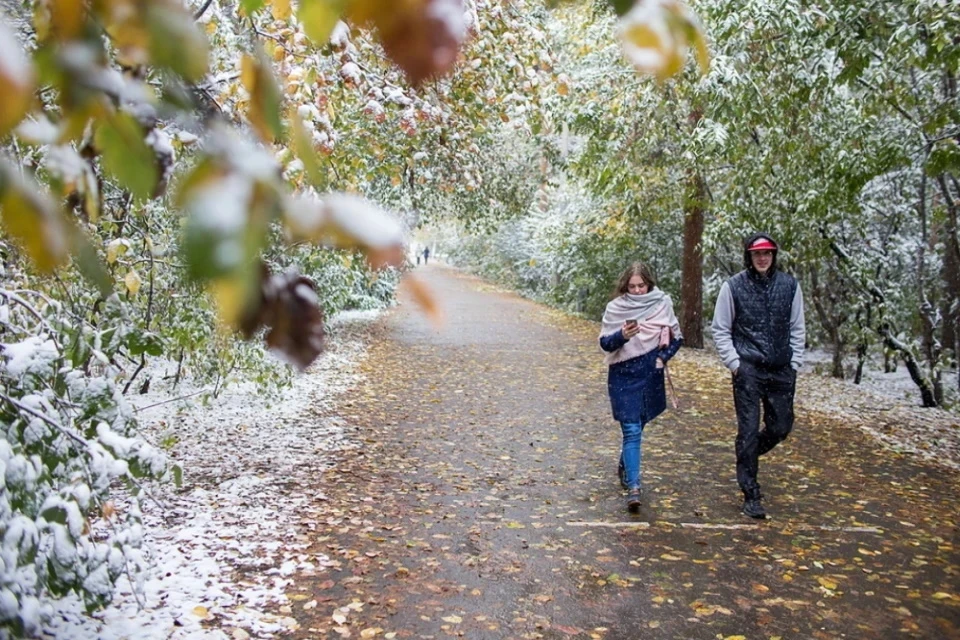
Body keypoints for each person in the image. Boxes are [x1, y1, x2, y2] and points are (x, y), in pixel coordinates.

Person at [711, 233, 805, 519]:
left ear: (774, 255)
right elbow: (720, 328)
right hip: (748, 369)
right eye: (756, 254)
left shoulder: (790, 286)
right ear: (749, 257)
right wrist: (734, 363)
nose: (762, 258)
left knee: (781, 427)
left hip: (781, 369)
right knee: (748, 430)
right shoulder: (733, 287)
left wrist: (795, 362)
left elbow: (797, 326)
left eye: (767, 253)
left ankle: (747, 454)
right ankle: (751, 493)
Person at [599, 262, 683, 513]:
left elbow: (677, 337)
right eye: (632, 286)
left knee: (640, 423)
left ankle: (626, 465)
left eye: (641, 286)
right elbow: (605, 343)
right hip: (623, 374)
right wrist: (622, 336)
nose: (636, 291)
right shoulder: (615, 309)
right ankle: (634, 487)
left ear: (649, 284)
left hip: (650, 372)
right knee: (632, 429)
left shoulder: (662, 303)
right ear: (625, 286)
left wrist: (662, 358)